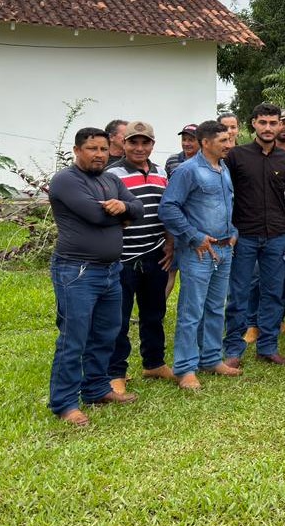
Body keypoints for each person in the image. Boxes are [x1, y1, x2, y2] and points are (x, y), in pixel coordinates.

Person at [47, 127, 144, 426]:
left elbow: (139, 209)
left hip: (111, 270)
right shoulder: (66, 180)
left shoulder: (111, 179)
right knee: (74, 338)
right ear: (77, 150)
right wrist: (122, 215)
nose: (99, 154)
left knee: (106, 334)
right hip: (77, 271)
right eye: (92, 148)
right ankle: (64, 403)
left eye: (103, 149)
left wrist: (124, 207)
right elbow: (96, 215)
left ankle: (96, 389)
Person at [160, 120, 243, 391]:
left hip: (224, 248)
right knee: (191, 310)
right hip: (198, 251)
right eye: (223, 141)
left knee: (216, 307)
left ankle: (211, 359)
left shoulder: (223, 169)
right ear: (205, 142)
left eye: (230, 140)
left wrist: (233, 232)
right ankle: (185, 368)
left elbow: (227, 205)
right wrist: (194, 236)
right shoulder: (188, 170)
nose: (229, 145)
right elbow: (168, 208)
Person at [222, 103, 285, 368]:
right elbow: (225, 194)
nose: (268, 128)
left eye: (273, 123)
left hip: (277, 236)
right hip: (244, 235)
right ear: (253, 124)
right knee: (239, 294)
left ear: (280, 125)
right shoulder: (236, 156)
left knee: (274, 293)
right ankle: (233, 349)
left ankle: (267, 347)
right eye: (263, 122)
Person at [105, 121, 174, 394]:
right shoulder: (112, 174)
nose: (139, 147)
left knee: (154, 313)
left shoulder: (161, 173)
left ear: (152, 145)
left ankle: (154, 363)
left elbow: (166, 210)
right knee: (118, 318)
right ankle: (116, 372)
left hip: (155, 254)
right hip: (123, 257)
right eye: (133, 142)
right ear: (124, 144)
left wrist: (170, 244)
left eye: (145, 142)